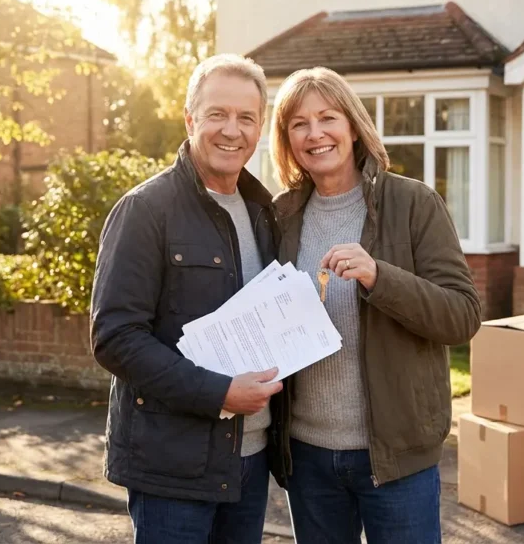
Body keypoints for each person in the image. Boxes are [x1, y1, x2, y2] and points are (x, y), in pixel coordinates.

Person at [267, 66, 482, 543]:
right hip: (307, 457)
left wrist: (379, 277)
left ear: (353, 125)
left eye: (328, 118)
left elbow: (463, 316)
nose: (315, 133)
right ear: (287, 139)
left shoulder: (414, 203)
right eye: (299, 124)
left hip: (396, 458)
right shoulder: (280, 216)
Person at [90, 54, 281, 543]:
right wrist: (218, 393)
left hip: (250, 460)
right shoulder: (145, 209)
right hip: (171, 469)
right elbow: (115, 338)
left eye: (246, 117)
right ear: (190, 119)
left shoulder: (263, 212)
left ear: (260, 127)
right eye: (217, 114)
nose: (232, 130)